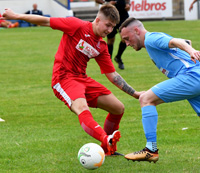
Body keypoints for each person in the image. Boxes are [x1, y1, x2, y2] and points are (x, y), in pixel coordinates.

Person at [1, 5, 142, 156]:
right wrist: (16, 16)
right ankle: (106, 140)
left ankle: (106, 148)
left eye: (112, 27)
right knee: (82, 108)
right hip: (63, 78)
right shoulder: (76, 26)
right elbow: (45, 21)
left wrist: (135, 94)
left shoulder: (101, 46)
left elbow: (112, 75)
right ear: (97, 20)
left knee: (118, 108)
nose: (109, 30)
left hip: (82, 79)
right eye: (107, 25)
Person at [119, 17, 200, 164]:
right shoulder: (152, 41)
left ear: (136, 30)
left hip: (193, 77)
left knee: (146, 99)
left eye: (127, 38)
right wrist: (188, 49)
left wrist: (191, 51)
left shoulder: (150, 39)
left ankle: (151, 150)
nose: (127, 43)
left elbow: (177, 42)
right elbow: (186, 41)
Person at [95, 0, 131, 70]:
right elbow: (97, 0)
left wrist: (127, 4)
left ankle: (118, 57)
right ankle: (109, 62)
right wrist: (107, 3)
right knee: (110, 40)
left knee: (125, 38)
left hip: (123, 15)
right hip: (110, 16)